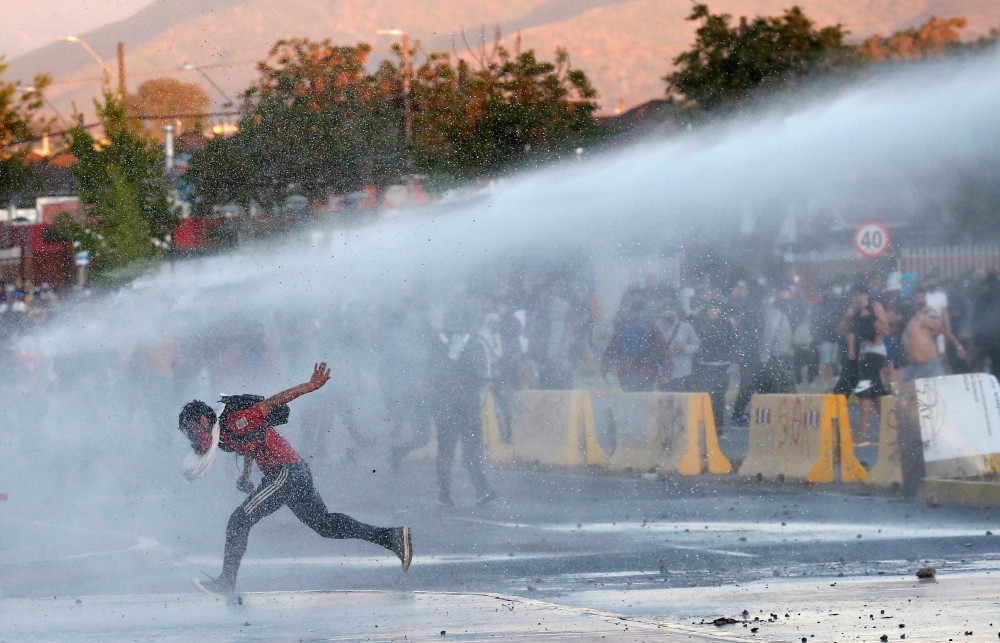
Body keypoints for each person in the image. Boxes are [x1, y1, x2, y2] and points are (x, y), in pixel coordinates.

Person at [177, 363, 412, 595]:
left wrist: (310, 386)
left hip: (285, 472)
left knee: (239, 521)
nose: (191, 437)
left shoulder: (236, 420)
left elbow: (272, 403)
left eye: (191, 429)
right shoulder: (224, 436)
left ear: (204, 422)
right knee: (325, 525)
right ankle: (391, 538)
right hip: (295, 471)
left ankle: (226, 582)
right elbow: (253, 441)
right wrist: (246, 473)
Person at [431, 297, 497, 508]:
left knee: (467, 450)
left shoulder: (471, 342)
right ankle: (446, 493)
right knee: (452, 451)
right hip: (452, 404)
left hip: (462, 405)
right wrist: (453, 358)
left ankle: (480, 490)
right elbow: (437, 374)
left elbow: (481, 374)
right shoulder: (442, 343)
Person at [901, 300, 948, 381]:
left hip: (930, 365)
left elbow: (940, 328)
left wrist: (958, 346)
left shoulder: (919, 319)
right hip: (914, 367)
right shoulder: (905, 331)